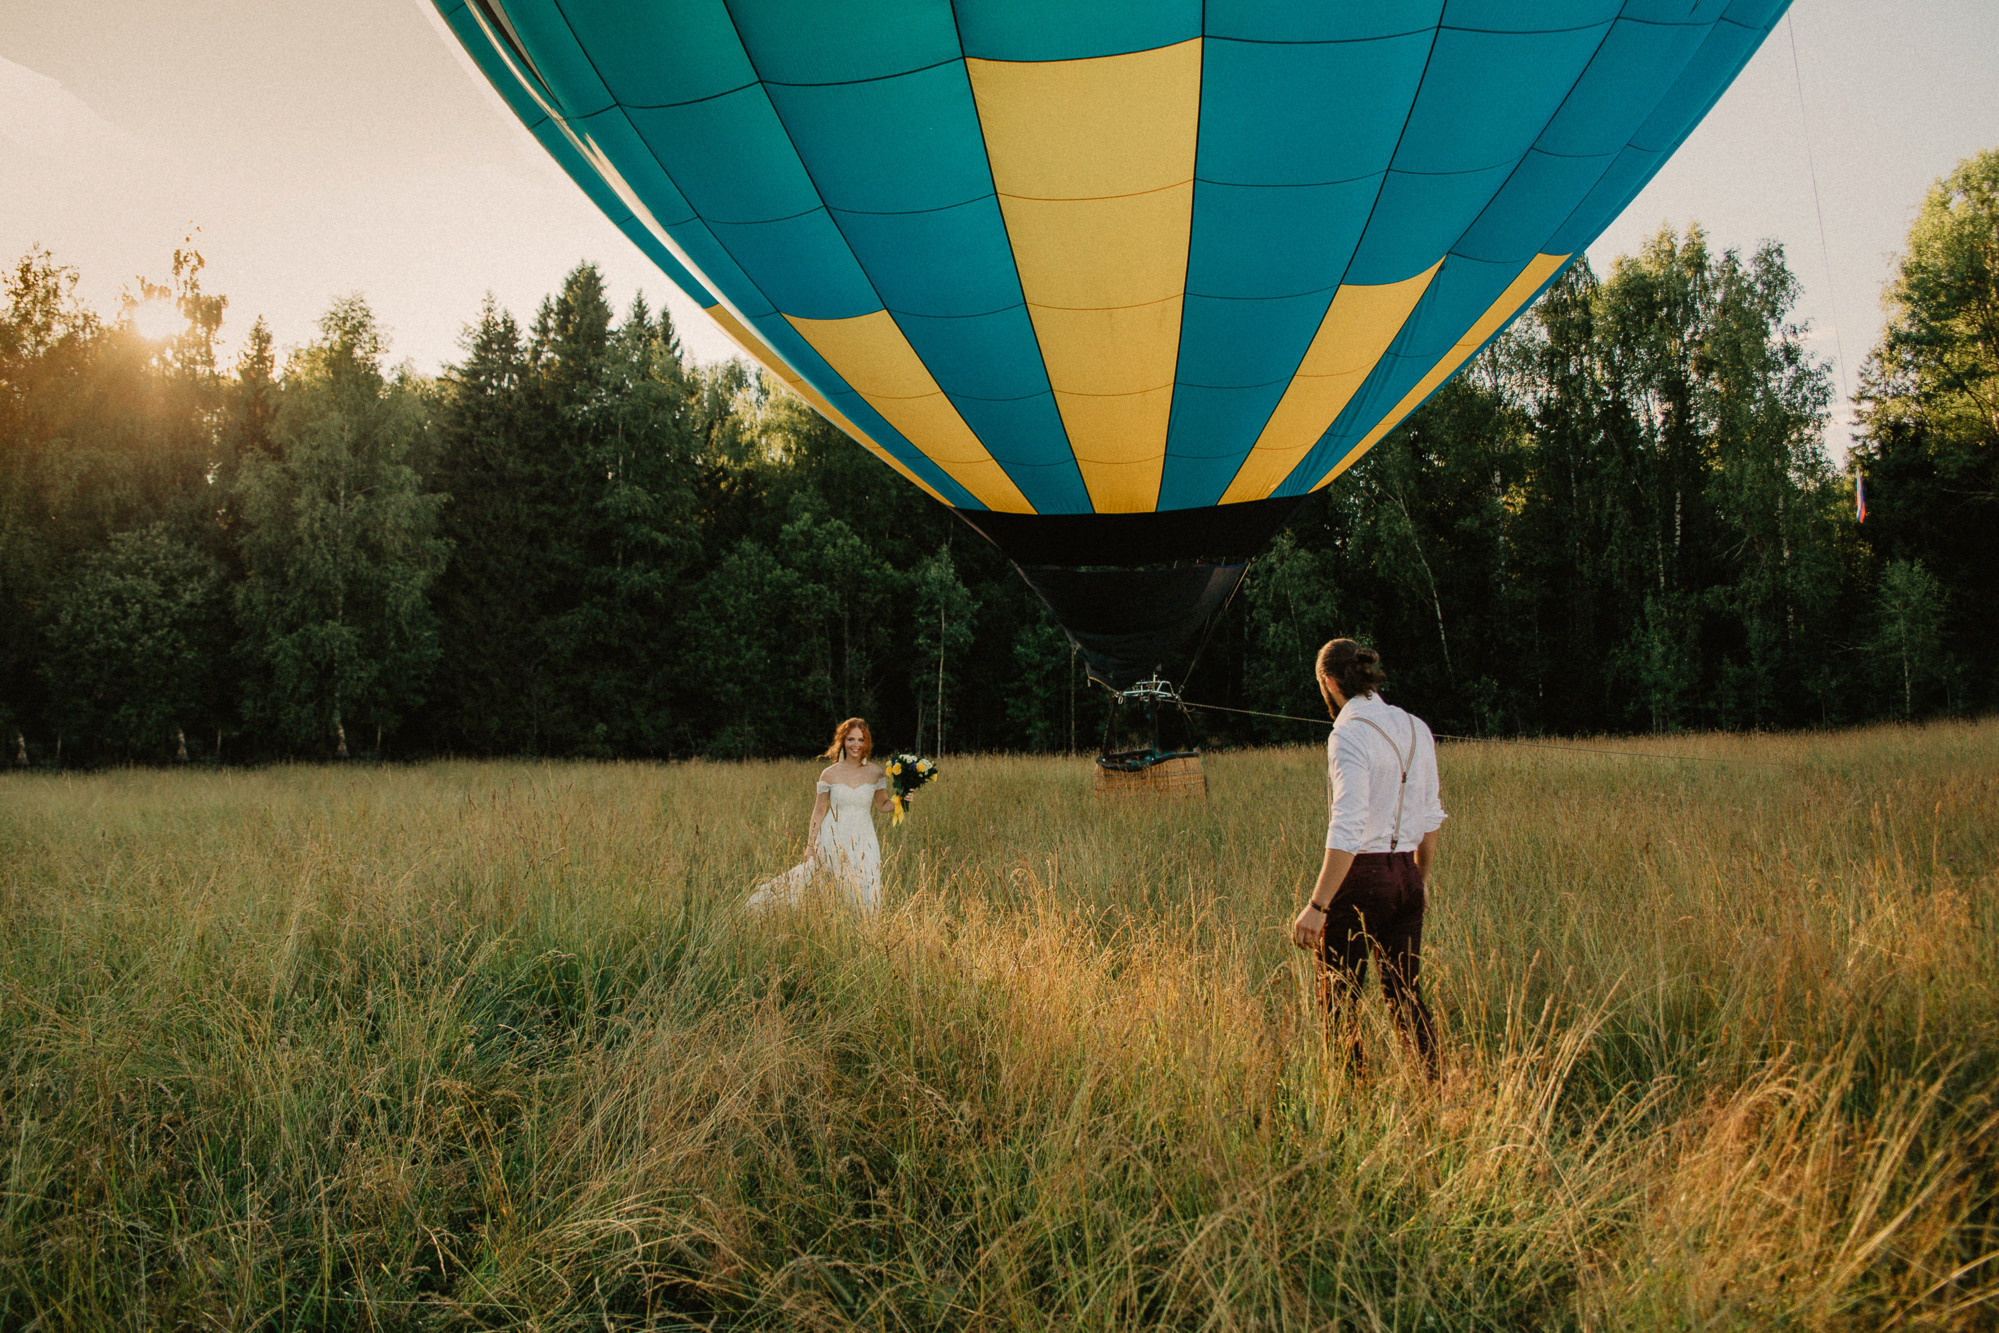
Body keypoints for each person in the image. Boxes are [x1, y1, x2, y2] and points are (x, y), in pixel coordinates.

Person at [1290, 639, 1446, 1078]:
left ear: (1328, 682)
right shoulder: (1416, 726)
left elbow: (1348, 826)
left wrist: (1318, 905)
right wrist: (1419, 879)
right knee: (1406, 996)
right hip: (1407, 874)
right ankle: (1435, 1089)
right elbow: (1430, 815)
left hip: (1360, 878)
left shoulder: (1348, 733)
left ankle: (1350, 1097)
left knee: (1338, 999)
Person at [747, 717, 894, 913]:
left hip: (864, 839)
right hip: (833, 837)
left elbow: (883, 805)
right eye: (851, 739)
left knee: (866, 885)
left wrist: (903, 799)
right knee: (829, 886)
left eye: (860, 740)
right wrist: (810, 845)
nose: (856, 745)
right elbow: (819, 811)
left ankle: (864, 927)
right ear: (843, 741)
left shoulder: (875, 773)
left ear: (866, 742)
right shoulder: (829, 774)